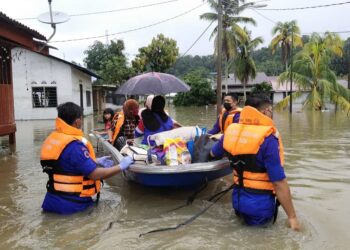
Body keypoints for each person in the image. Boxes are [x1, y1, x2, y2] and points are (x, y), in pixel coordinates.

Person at [210, 94, 300, 231]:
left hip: (237, 201)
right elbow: (278, 182)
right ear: (265, 112)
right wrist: (292, 217)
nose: (271, 113)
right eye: (271, 110)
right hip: (260, 207)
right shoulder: (268, 138)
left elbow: (213, 153)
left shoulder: (231, 130)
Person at [40, 102, 134, 214]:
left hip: (51, 201)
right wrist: (120, 166)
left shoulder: (54, 139)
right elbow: (94, 175)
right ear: (77, 121)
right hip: (73, 206)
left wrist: (95, 161)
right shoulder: (75, 145)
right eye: (81, 118)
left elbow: (65, 165)